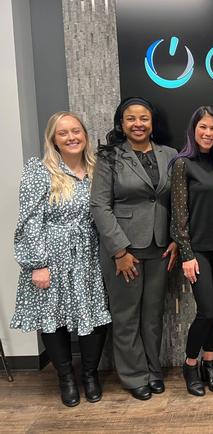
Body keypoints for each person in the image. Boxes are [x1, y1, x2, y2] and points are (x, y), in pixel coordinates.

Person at [11, 112, 112, 407]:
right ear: (53, 139)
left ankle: (90, 375)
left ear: (84, 133)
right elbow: (29, 221)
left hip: (90, 256)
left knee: (95, 315)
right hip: (51, 258)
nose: (71, 137)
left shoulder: (97, 169)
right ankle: (66, 378)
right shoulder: (39, 171)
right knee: (53, 320)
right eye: (63, 133)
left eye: (76, 131)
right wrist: (37, 263)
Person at [90, 97, 178, 401]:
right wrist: (119, 250)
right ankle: (133, 375)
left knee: (153, 316)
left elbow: (174, 201)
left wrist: (176, 240)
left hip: (160, 246)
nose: (138, 124)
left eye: (143, 118)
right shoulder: (110, 157)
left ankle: (154, 371)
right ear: (121, 123)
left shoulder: (170, 155)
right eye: (131, 119)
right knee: (126, 315)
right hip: (124, 249)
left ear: (152, 123)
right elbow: (99, 206)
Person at [170, 106, 213, 397]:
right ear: (193, 130)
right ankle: (190, 364)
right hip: (199, 252)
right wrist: (186, 254)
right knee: (206, 309)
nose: (208, 133)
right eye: (203, 128)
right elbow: (178, 214)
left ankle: (210, 364)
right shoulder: (183, 163)